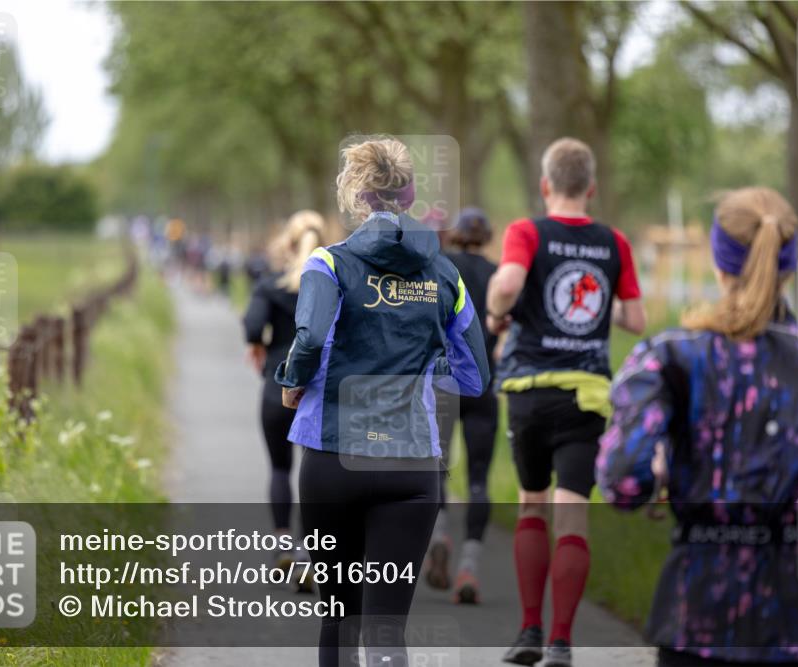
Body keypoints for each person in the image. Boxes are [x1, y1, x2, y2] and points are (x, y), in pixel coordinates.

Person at [597, 186, 798, 666]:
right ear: (788, 266)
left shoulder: (669, 358)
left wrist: (660, 476)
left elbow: (622, 482)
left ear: (719, 264)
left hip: (701, 619)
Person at [275, 136, 490, 667]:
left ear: (356, 195)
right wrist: (417, 371)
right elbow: (475, 375)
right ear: (411, 194)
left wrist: (292, 381)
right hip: (410, 466)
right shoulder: (445, 274)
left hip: (333, 460)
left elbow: (310, 337)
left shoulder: (328, 263)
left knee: (340, 623)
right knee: (388, 629)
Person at [486, 137, 646, 667]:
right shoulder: (613, 241)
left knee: (532, 504)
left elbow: (508, 282)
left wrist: (496, 311)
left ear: (545, 185)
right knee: (571, 517)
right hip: (588, 396)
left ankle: (529, 630)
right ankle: (561, 641)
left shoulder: (527, 231)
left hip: (532, 391)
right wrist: (602, 313)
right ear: (592, 188)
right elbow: (635, 319)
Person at [423, 207, 500, 605]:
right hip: (482, 387)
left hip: (443, 383)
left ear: (453, 236)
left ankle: (439, 536)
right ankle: (469, 566)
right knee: (478, 479)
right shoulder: (498, 273)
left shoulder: (439, 269)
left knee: (436, 468)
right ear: (486, 236)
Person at [242, 210, 326, 571]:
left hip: (276, 387)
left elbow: (251, 327)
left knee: (279, 469)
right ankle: (309, 550)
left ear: (288, 244)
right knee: (314, 471)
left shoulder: (270, 285)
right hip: (319, 390)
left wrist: (260, 346)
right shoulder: (331, 286)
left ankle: (282, 547)